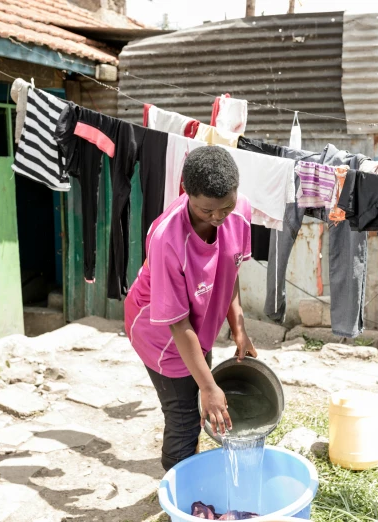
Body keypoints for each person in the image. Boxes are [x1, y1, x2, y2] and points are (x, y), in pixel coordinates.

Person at [124, 146, 258, 471]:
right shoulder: (166, 239)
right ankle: (179, 501)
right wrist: (208, 386)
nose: (216, 217)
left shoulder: (240, 214)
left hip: (197, 325)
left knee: (201, 394)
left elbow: (229, 270)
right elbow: (177, 324)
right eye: (205, 210)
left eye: (224, 207)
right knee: (184, 419)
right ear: (186, 193)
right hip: (161, 334)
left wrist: (239, 329)